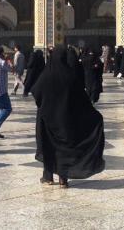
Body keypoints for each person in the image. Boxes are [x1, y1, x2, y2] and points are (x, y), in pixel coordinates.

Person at [33, 47, 105, 188]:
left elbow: (36, 93)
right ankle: (63, 180)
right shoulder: (70, 77)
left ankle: (47, 177)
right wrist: (94, 116)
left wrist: (46, 105)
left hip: (47, 120)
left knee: (48, 147)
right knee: (63, 149)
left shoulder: (46, 76)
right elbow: (81, 100)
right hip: (65, 120)